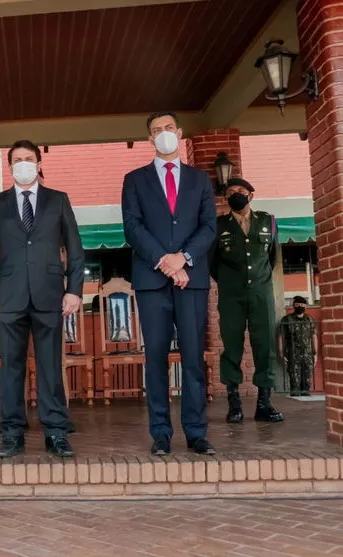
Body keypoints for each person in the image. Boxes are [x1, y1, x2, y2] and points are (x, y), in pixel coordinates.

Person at [0, 139, 85, 459]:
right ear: (9, 166)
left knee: (51, 366)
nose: (23, 163)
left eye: (28, 158)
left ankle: (56, 431)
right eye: (17, 159)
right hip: (9, 297)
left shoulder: (58, 200)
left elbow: (76, 251)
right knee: (11, 367)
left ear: (38, 163)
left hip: (50, 294)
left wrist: (74, 290)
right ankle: (11, 432)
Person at [121, 112, 217, 456]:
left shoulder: (199, 180)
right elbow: (132, 227)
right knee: (156, 359)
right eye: (156, 131)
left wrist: (184, 259)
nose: (163, 135)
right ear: (150, 139)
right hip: (152, 281)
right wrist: (165, 260)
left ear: (179, 133)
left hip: (191, 281)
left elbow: (208, 227)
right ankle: (161, 433)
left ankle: (196, 432)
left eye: (168, 129)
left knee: (192, 358)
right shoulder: (134, 180)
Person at [210, 177, 284, 424]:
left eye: (240, 191)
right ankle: (234, 403)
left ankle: (264, 403)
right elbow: (212, 263)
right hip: (232, 295)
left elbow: (272, 257)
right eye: (230, 192)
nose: (236, 195)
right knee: (231, 346)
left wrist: (258, 282)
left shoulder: (268, 221)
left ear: (251, 195)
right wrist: (231, 282)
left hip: (261, 294)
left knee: (265, 346)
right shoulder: (218, 225)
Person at [279, 296, 317, 396]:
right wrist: (281, 353)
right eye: (298, 304)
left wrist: (315, 352)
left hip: (307, 354)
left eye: (302, 305)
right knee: (295, 384)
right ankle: (297, 404)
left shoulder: (309, 319)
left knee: (307, 383)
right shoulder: (287, 319)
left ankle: (306, 406)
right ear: (293, 305)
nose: (300, 306)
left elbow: (313, 336)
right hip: (293, 354)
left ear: (305, 306)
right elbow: (280, 337)